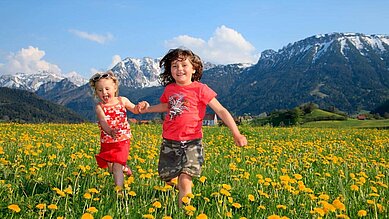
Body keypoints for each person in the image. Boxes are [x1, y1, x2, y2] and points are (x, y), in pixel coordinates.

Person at [139, 48, 247, 207]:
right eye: (174, 66)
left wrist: (236, 134)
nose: (179, 69)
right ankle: (181, 189)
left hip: (192, 142)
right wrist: (147, 108)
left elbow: (221, 110)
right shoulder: (169, 89)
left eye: (184, 65)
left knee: (185, 177)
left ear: (194, 68)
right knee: (167, 178)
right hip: (170, 142)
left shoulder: (201, 89)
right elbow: (166, 106)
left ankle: (184, 211)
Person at [89, 70, 142, 189]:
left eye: (107, 89)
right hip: (107, 141)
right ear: (96, 92)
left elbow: (134, 109)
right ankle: (124, 168)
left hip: (122, 140)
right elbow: (103, 121)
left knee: (116, 166)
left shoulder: (122, 100)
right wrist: (110, 131)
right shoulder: (99, 107)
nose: (104, 92)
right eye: (100, 90)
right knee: (111, 168)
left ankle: (119, 192)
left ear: (114, 88)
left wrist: (139, 107)